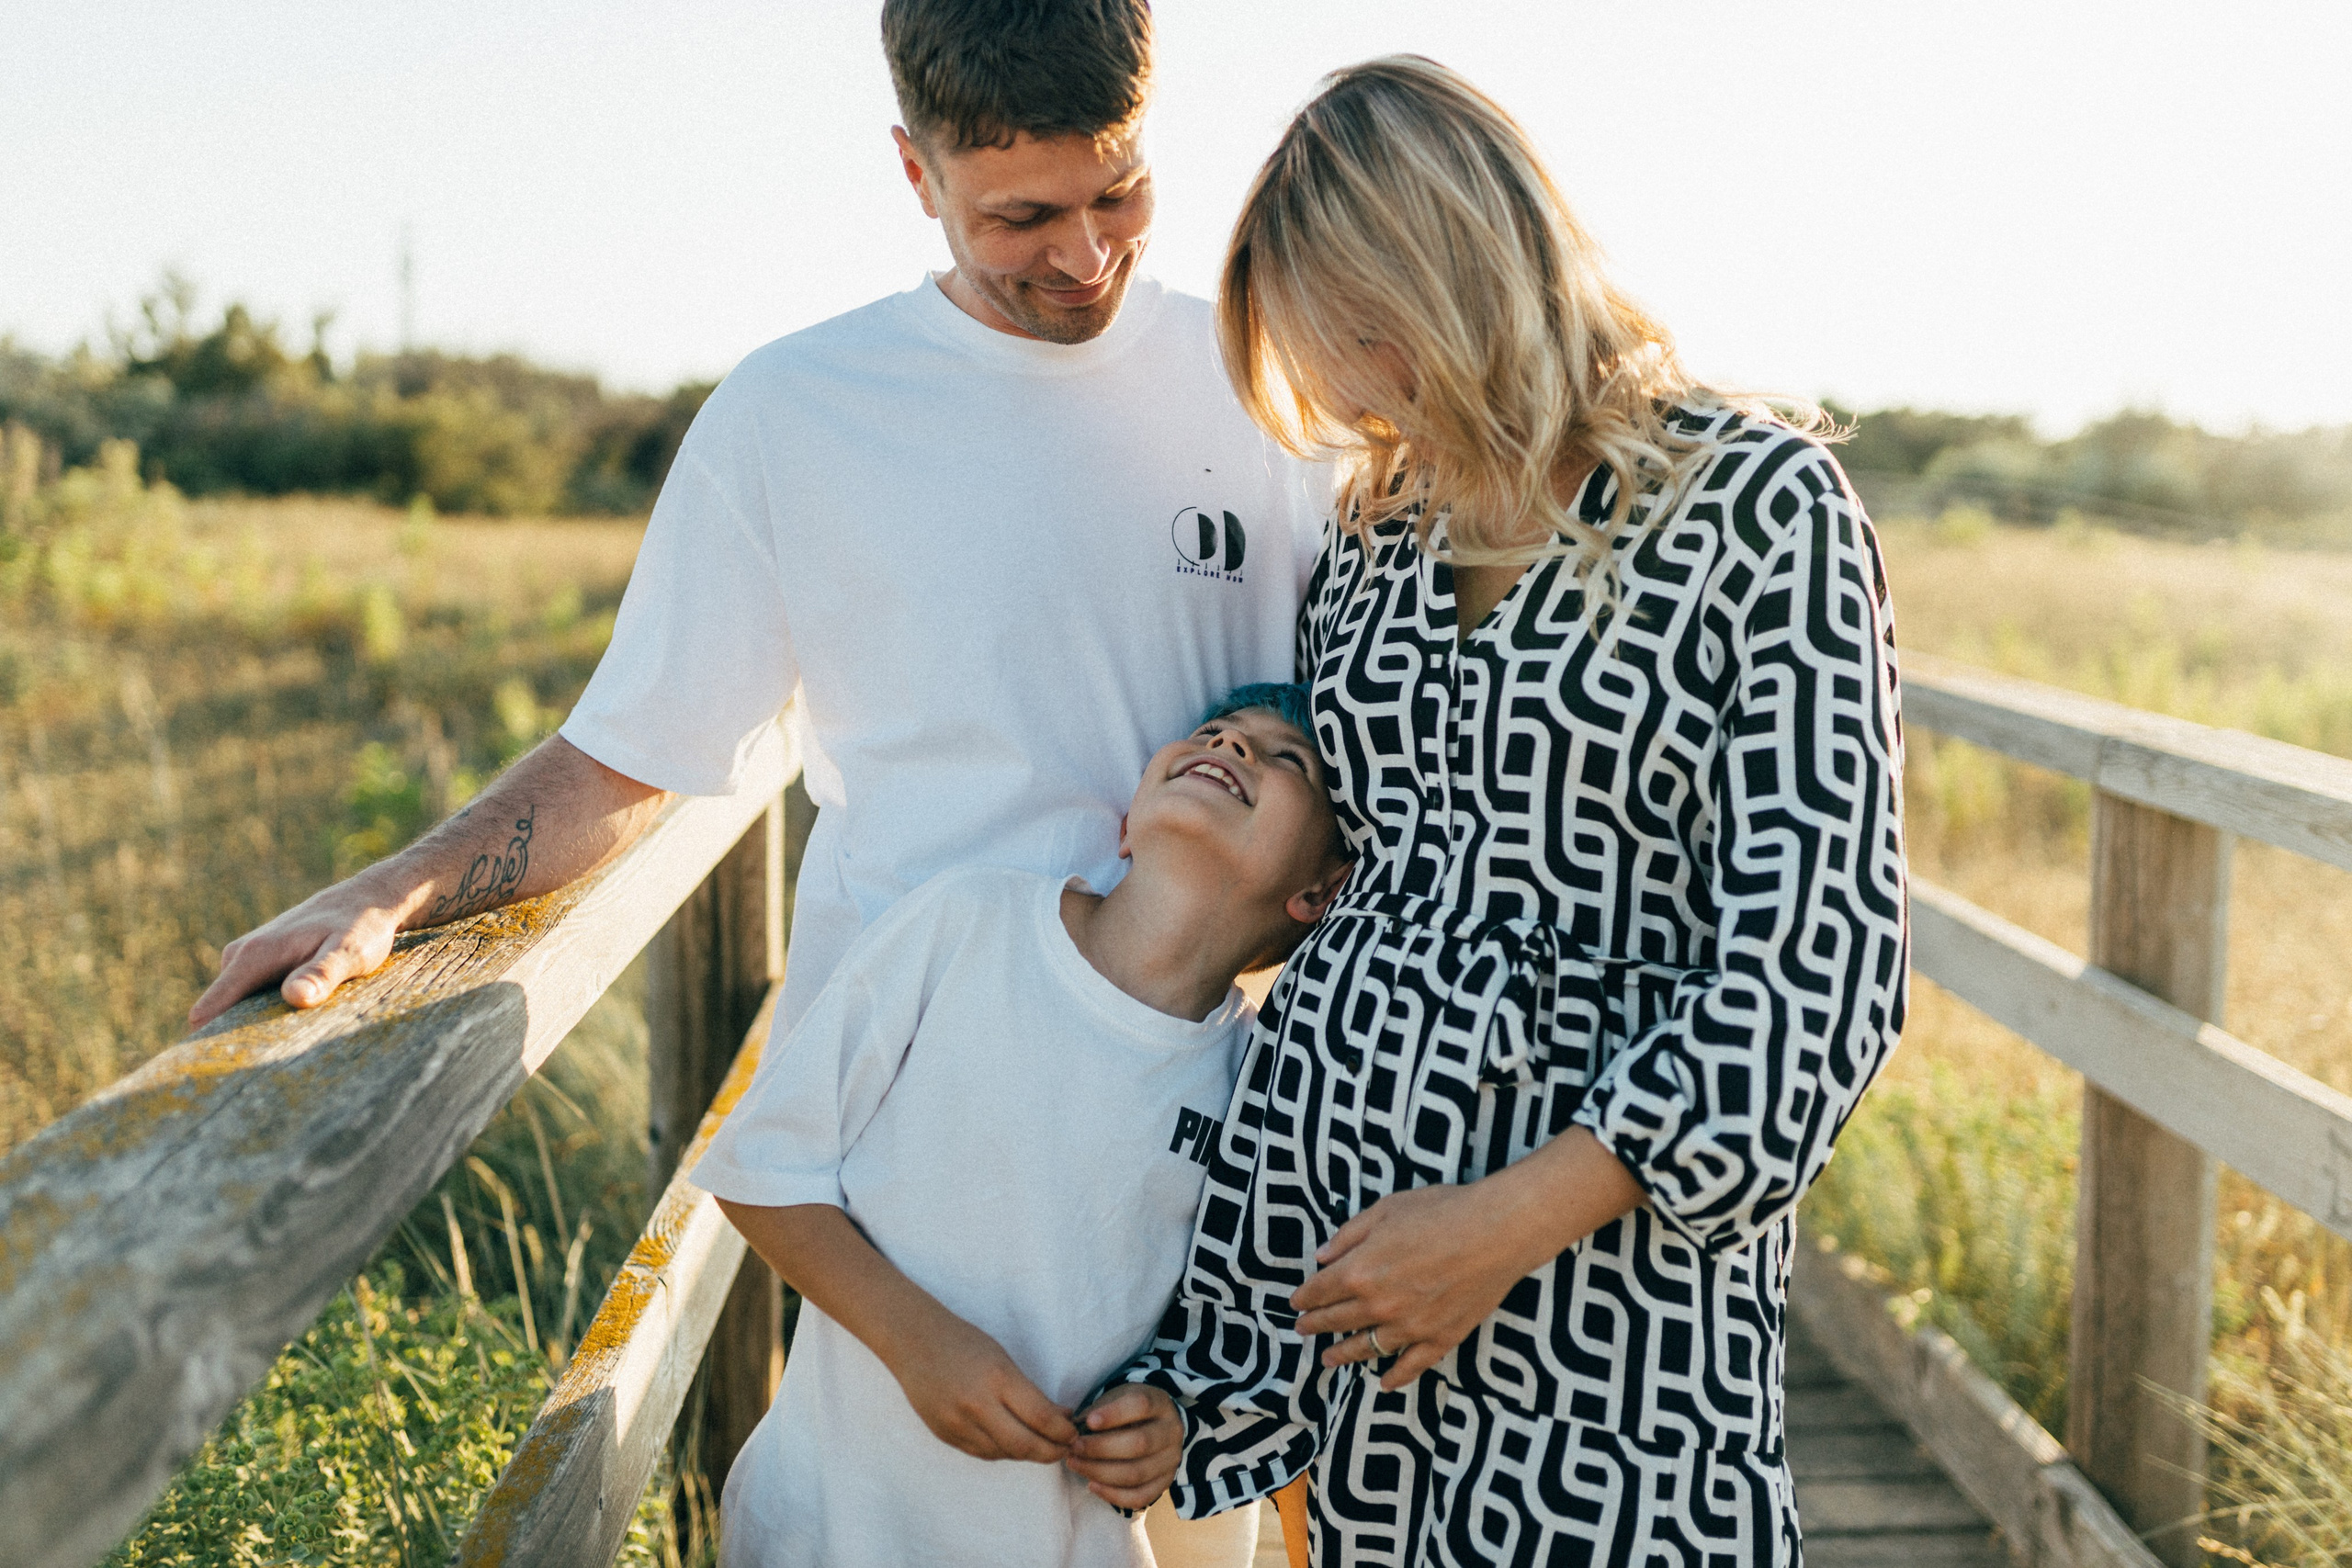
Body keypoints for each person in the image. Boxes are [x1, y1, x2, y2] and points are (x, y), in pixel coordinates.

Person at [187, 6, 1318, 1562]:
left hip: (1195, 1166)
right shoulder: (799, 416)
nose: (1083, 257)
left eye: (1116, 193)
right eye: (1022, 218)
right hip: (905, 1169)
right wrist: (400, 884)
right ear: (913, 171)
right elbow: (631, 752)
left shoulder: (1263, 384)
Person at [1073, 58, 1910, 1566]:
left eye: (1369, 342)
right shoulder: (1375, 539)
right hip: (1360, 1328)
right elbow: (1351, 925)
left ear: (1465, 272)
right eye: (1324, 360)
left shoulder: (1756, 509)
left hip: (1614, 1306)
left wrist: (1509, 1220)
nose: (1348, 396)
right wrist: (1219, 1379)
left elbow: (1820, 964)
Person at [693, 684, 1350, 1568]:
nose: (1235, 745)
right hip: (827, 1525)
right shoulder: (968, 924)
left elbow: (1223, 1331)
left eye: (1287, 758)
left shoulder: (1254, 1084)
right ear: (1127, 824)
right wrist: (914, 1339)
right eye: (1215, 732)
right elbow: (761, 1169)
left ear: (1318, 891)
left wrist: (1171, 1421)